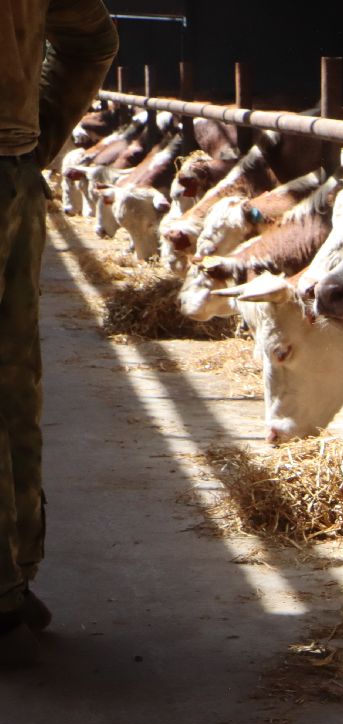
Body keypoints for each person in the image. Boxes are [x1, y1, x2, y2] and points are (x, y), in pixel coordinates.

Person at [0, 1, 116, 664]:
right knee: (14, 381)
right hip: (12, 174)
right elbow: (92, 38)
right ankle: (13, 578)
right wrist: (36, 134)